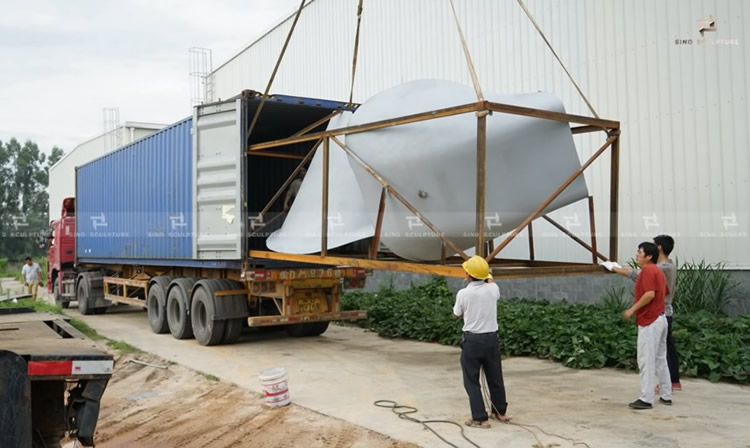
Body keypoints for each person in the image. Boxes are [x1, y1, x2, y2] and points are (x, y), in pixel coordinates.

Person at [607, 235, 681, 391]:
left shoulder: (659, 269)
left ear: (657, 249)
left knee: (653, 356)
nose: (637, 255)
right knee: (664, 352)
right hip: (663, 314)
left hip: (656, 314)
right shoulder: (668, 265)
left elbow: (645, 287)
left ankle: (654, 392)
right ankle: (669, 386)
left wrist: (614, 268)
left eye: (640, 252)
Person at [452, 255, 510, 428]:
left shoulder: (464, 293)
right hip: (491, 340)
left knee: (471, 379)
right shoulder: (493, 290)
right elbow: (490, 281)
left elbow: (456, 314)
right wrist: (487, 275)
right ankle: (500, 412)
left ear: (468, 275)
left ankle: (480, 418)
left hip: (472, 341)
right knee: (495, 377)